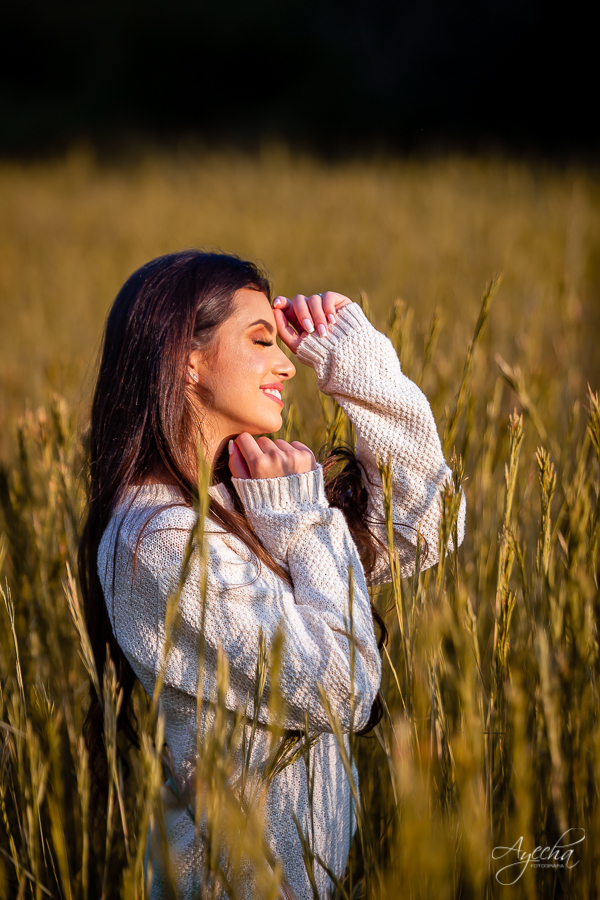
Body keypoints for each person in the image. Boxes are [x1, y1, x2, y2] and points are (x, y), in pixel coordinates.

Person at [78, 249, 466, 899]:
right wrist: (301, 517)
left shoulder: (233, 502)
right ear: (186, 359)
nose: (287, 362)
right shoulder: (155, 542)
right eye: (261, 340)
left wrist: (355, 358)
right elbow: (342, 688)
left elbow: (428, 525)